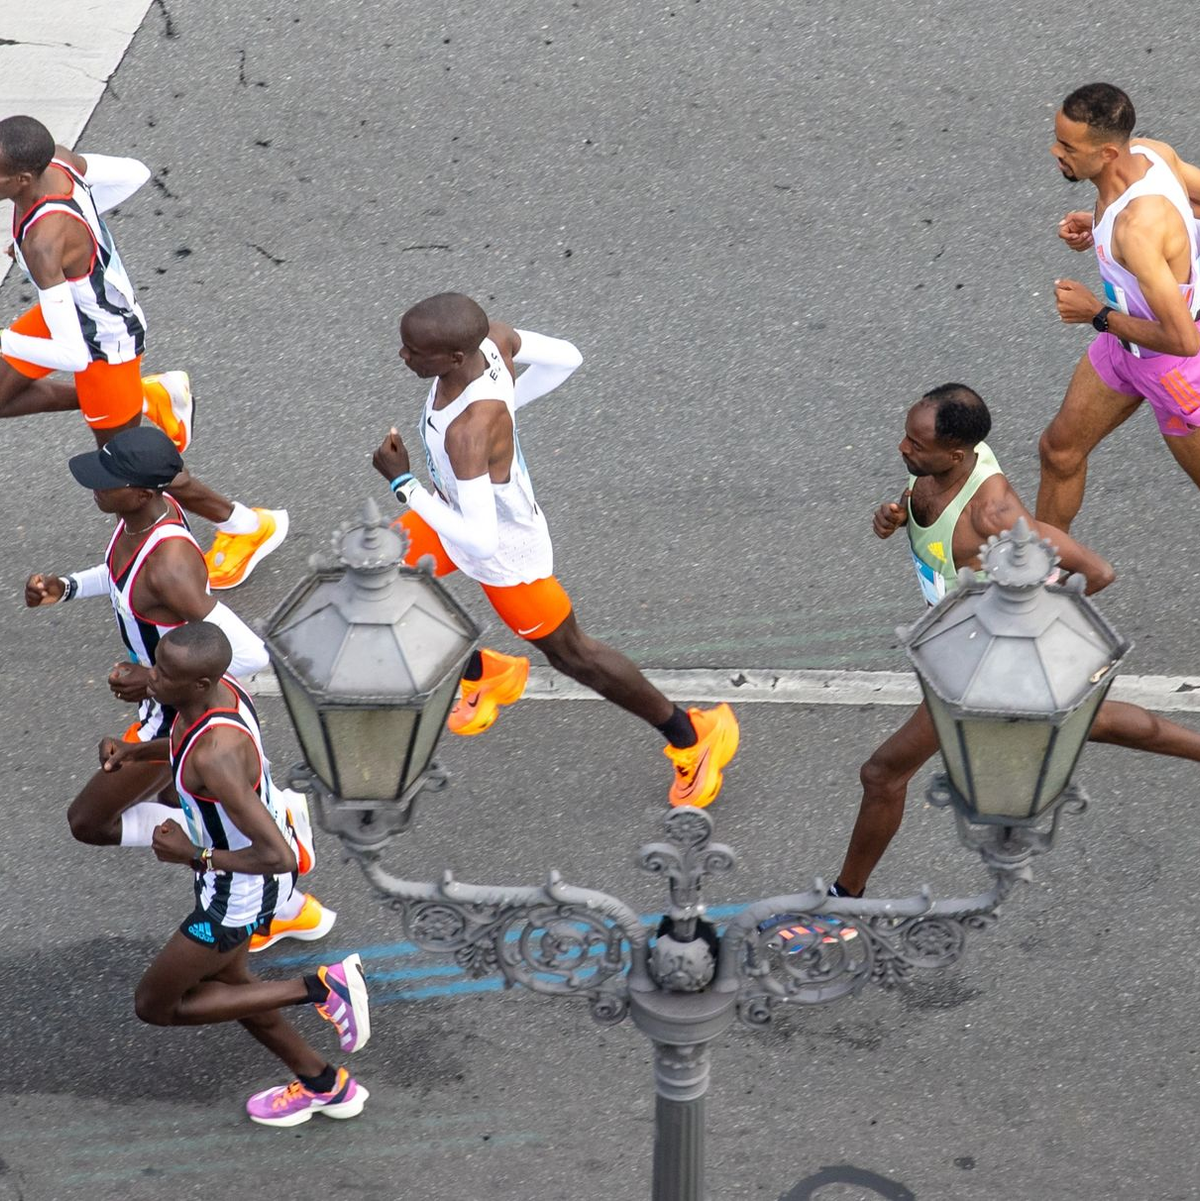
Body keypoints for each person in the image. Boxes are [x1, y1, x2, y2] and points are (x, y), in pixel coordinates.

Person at [371, 292, 739, 808]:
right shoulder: (494, 343)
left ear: (456, 358)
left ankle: (693, 737)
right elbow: (568, 357)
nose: (403, 357)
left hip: (502, 552)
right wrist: (507, 406)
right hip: (456, 513)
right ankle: (485, 674)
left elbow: (480, 539)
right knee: (370, 585)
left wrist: (403, 482)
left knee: (574, 656)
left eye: (414, 351)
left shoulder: (468, 433)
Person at [833, 384, 1200, 899]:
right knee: (1095, 721)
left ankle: (843, 904)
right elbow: (923, 510)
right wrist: (894, 516)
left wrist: (1025, 635)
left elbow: (1096, 571)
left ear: (956, 454)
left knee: (882, 775)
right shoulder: (938, 466)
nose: (903, 448)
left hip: (982, 660)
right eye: (907, 436)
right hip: (967, 646)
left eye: (915, 444)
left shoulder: (996, 514)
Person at [24, 425, 334, 950]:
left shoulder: (171, 570)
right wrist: (68, 587)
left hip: (182, 712)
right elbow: (122, 573)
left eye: (107, 482)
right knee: (195, 807)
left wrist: (153, 678)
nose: (95, 488)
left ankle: (276, 836)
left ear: (143, 491)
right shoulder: (140, 520)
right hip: (169, 699)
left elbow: (253, 654)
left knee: (90, 822)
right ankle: (284, 892)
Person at [0, 114, 285, 588]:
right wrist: (85, 226)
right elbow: (135, 172)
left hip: (103, 343)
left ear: (23, 179)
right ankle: (144, 395)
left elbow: (74, 354)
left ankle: (248, 527)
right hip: (72, 316)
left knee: (131, 475)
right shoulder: (62, 163)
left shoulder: (43, 243)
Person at [102, 621, 370, 1125]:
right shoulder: (217, 697)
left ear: (201, 683)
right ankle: (324, 1085)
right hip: (238, 882)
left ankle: (318, 988)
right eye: (156, 664)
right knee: (233, 989)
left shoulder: (217, 757)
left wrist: (192, 855)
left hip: (238, 892)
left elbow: (276, 855)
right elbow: (184, 743)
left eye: (164, 673)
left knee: (157, 1005)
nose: (152, 679)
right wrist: (136, 750)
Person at [1038, 83, 1200, 532]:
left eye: (1068, 146)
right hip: (1124, 349)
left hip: (1173, 367)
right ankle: (1037, 582)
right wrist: (1098, 224)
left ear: (1108, 153)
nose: (1056, 151)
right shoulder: (1151, 153)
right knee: (1059, 450)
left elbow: (1184, 339)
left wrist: (1095, 314)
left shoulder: (1138, 230)